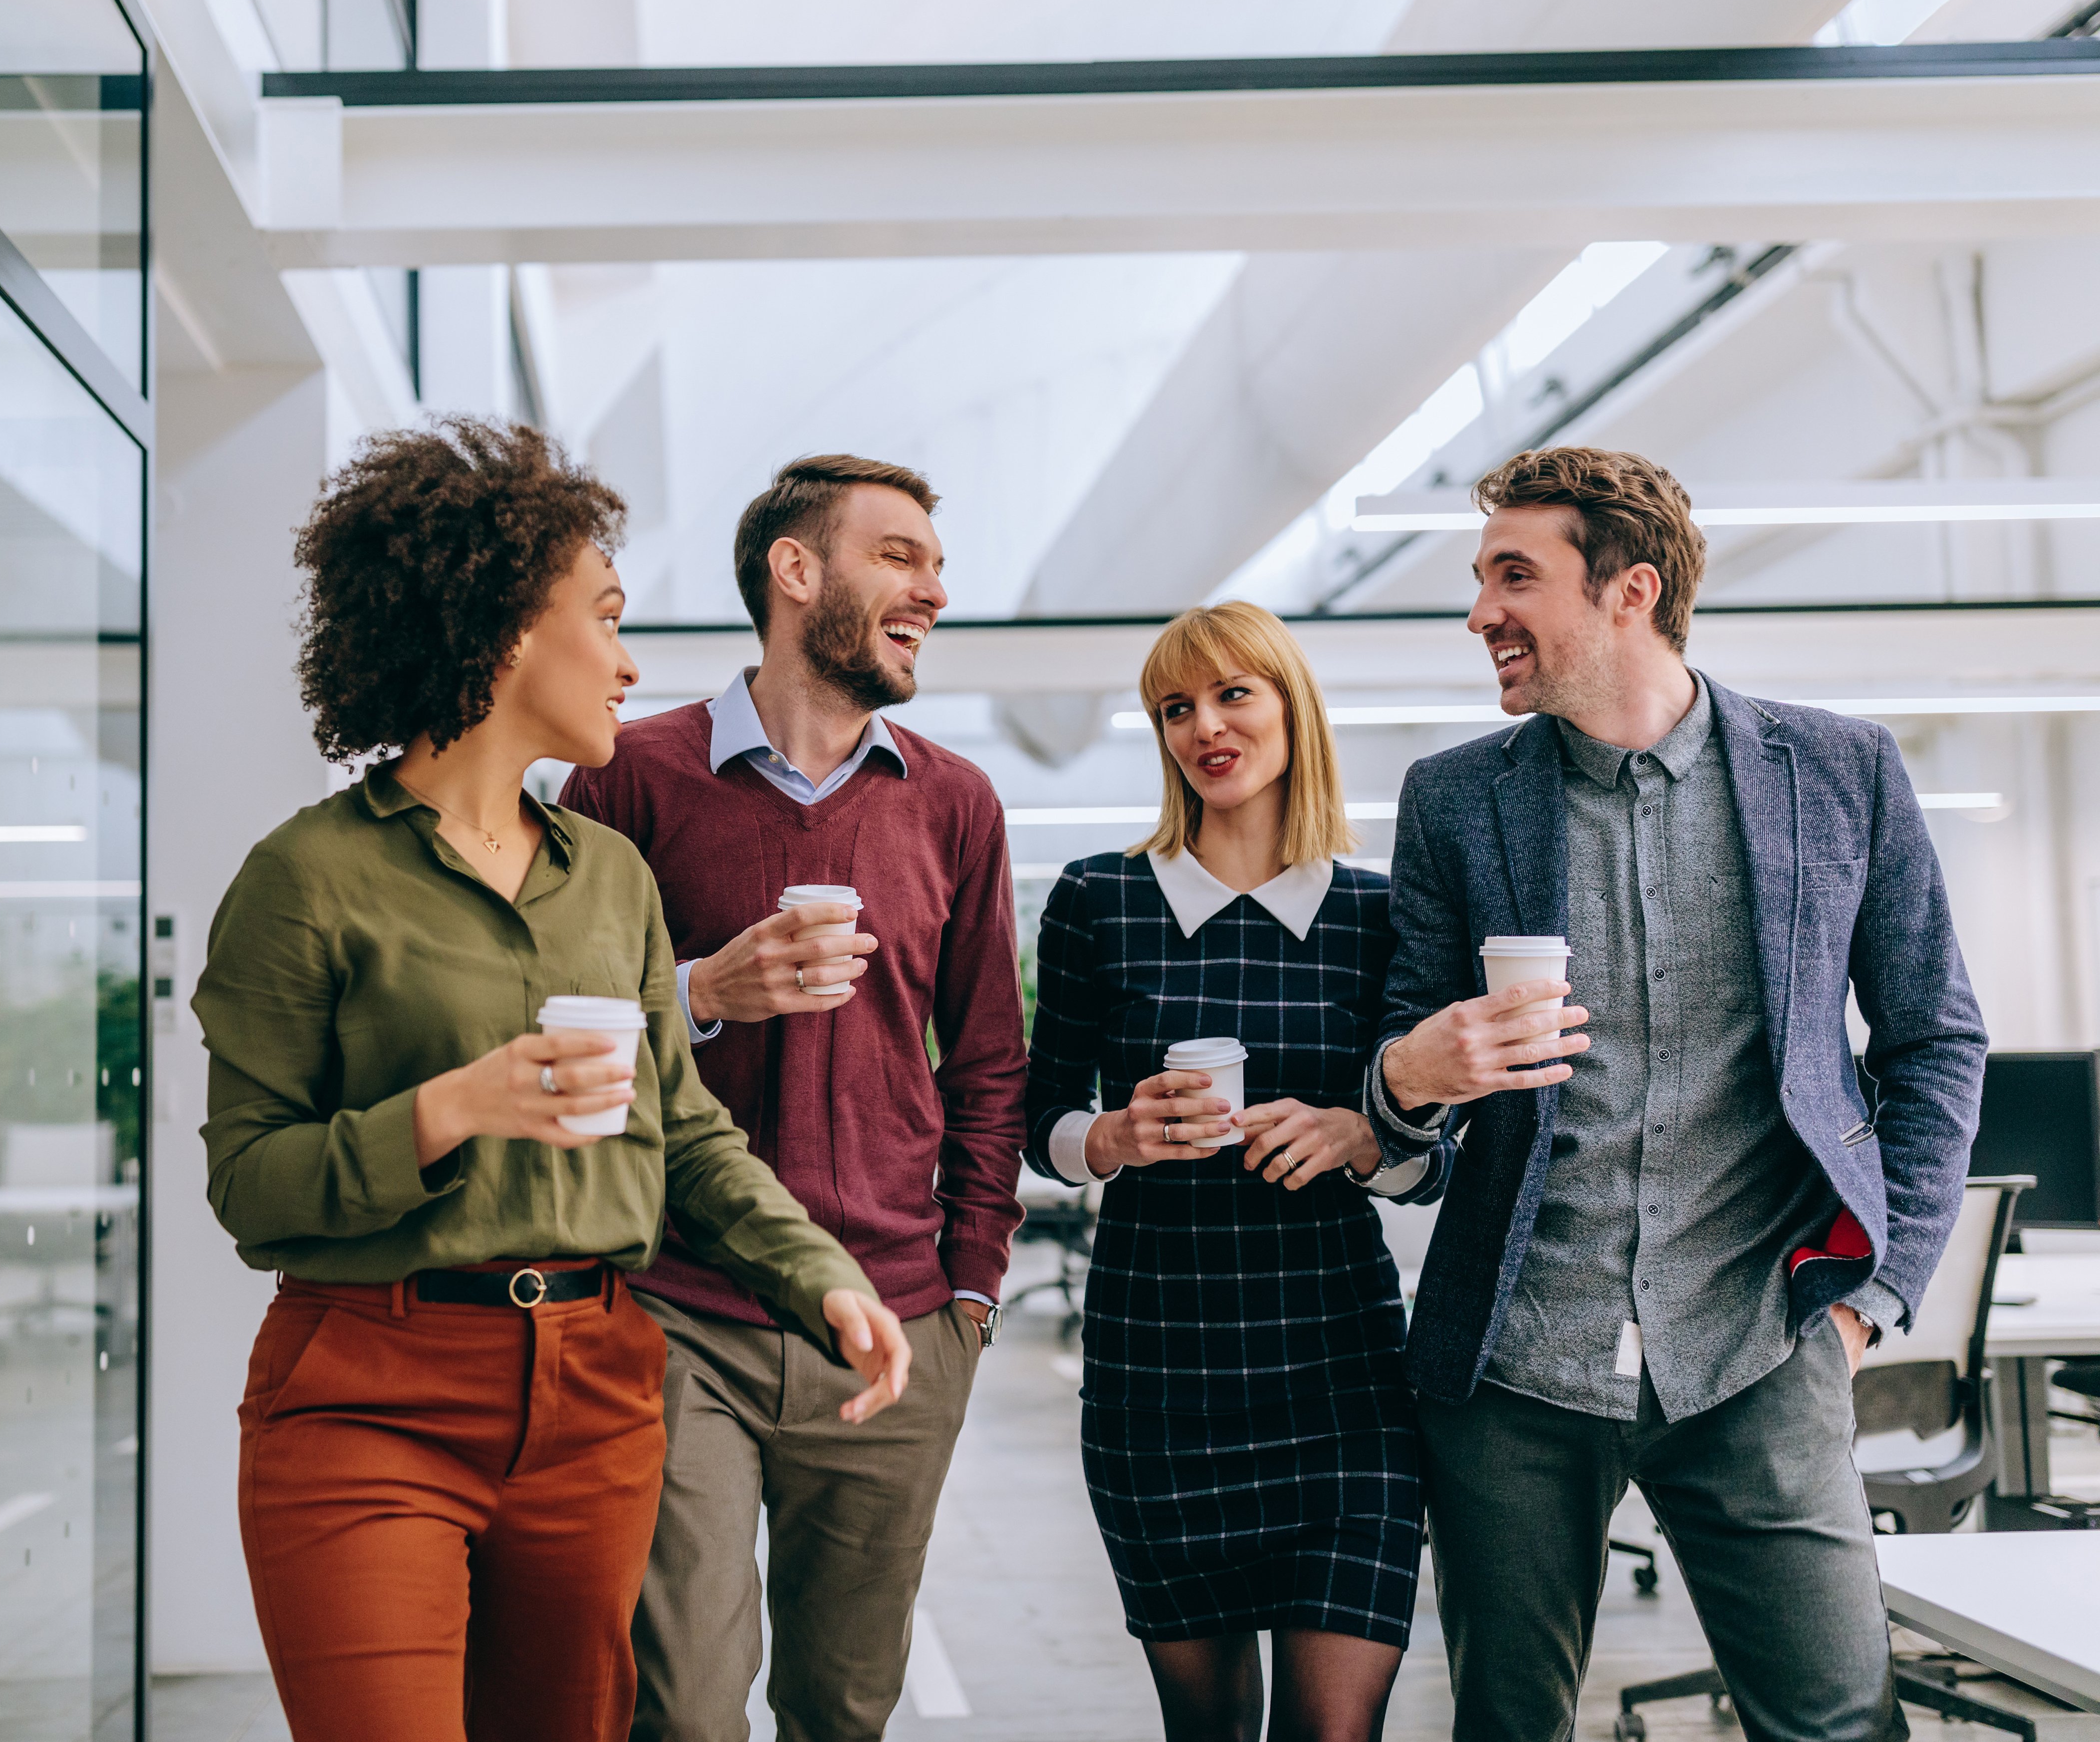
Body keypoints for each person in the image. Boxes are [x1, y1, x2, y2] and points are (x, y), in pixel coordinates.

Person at [193, 419, 914, 1742]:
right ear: (504, 625)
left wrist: (822, 1276)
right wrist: (449, 1109)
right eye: (606, 615)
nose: (631, 661)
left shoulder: (612, 877)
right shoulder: (308, 880)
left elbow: (686, 1134)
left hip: (593, 1390)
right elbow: (249, 1185)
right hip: (367, 1390)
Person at [1364, 447, 1987, 1742]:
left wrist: (1870, 1297)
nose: (1480, 610)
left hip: (1762, 1342)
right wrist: (1407, 1081)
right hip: (1515, 1358)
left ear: (1629, 589)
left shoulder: (1837, 772)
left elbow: (1933, 1037)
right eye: (1481, 579)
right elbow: (1406, 1107)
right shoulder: (1454, 801)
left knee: (1833, 1721)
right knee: (1506, 1725)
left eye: (1512, 576)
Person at [559, 453, 1027, 1742]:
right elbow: (558, 1021)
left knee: (842, 1704)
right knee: (685, 1708)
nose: (932, 587)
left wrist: (970, 1289)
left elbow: (988, 1061)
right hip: (674, 1304)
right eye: (899, 556)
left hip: (894, 1317)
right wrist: (702, 987)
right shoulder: (625, 779)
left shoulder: (953, 801)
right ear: (795, 569)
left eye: (933, 561)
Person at [1023, 601, 1436, 1742]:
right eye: (1174, 707)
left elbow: (1428, 1160)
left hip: (1338, 1372)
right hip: (1159, 1368)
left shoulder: (1376, 913)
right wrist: (1108, 1138)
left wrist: (1363, 1134)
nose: (1203, 725)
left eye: (1231, 694)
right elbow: (1037, 1116)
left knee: (1332, 1732)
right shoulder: (1098, 902)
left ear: (1289, 708)